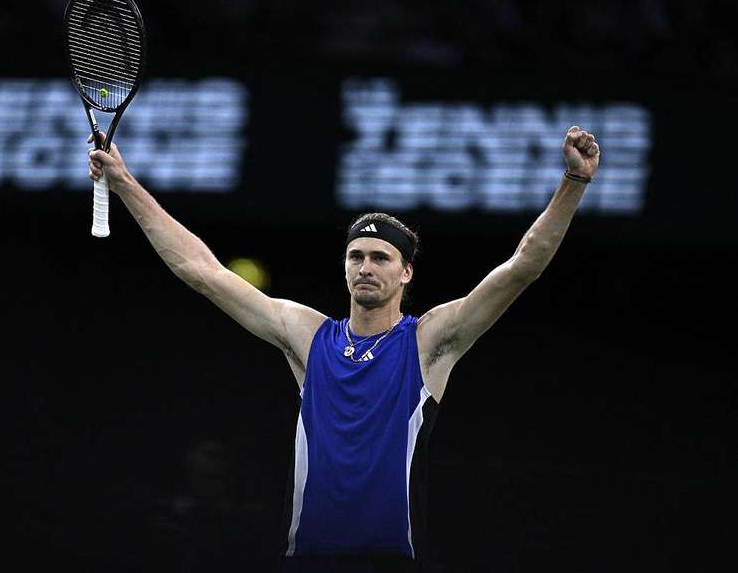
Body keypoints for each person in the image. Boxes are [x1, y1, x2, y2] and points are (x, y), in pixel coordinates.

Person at [86, 126, 600, 572]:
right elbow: (201, 271)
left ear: (407, 272)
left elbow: (522, 267)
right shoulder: (308, 336)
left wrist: (573, 183)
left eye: (381, 257)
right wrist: (125, 182)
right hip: (306, 560)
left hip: (391, 561)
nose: (366, 266)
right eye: (356, 255)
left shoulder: (430, 341)